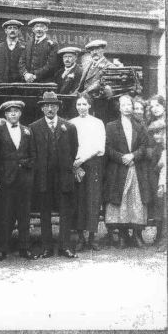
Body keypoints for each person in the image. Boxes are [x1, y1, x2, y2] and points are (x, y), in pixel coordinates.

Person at [0, 101, 37, 261]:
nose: (13, 114)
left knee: (24, 215)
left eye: (16, 111)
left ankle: (25, 248)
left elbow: (34, 155)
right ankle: (2, 250)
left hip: (24, 179)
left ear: (20, 114)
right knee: (5, 214)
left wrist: (28, 172)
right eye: (10, 112)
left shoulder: (28, 131)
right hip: (6, 179)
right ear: (5, 115)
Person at [30, 92, 79, 259]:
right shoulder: (34, 127)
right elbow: (33, 153)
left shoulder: (69, 127)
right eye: (46, 106)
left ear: (58, 107)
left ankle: (65, 246)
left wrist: (65, 167)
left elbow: (73, 150)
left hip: (63, 176)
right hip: (44, 177)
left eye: (53, 106)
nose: (50, 109)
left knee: (65, 211)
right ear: (42, 108)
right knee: (45, 213)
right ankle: (47, 247)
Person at [104, 95, 151, 249]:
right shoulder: (111, 126)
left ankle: (137, 235)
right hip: (119, 170)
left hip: (136, 169)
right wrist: (122, 157)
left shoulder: (140, 126)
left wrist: (134, 156)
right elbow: (108, 149)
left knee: (136, 201)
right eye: (123, 105)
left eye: (129, 105)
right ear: (119, 108)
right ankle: (123, 235)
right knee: (121, 202)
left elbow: (144, 146)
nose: (127, 108)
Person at [70, 93, 106, 251]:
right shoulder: (71, 123)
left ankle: (92, 237)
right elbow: (70, 145)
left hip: (92, 164)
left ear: (90, 105)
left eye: (84, 104)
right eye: (79, 104)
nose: (81, 107)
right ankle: (80, 238)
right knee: (78, 200)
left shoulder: (98, 123)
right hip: (76, 165)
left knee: (93, 200)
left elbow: (99, 146)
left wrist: (82, 159)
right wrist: (76, 163)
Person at [147, 95, 166, 245]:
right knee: (158, 201)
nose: (154, 109)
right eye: (152, 106)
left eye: (157, 106)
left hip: (163, 161)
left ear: (163, 106)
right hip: (154, 164)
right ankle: (160, 235)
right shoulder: (150, 123)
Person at [19, 17, 58, 83]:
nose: (39, 29)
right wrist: (25, 74)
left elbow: (51, 65)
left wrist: (35, 76)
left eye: (42, 27)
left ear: (46, 29)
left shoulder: (52, 44)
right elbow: (21, 62)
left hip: (44, 82)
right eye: (36, 27)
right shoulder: (28, 44)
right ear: (33, 29)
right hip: (27, 82)